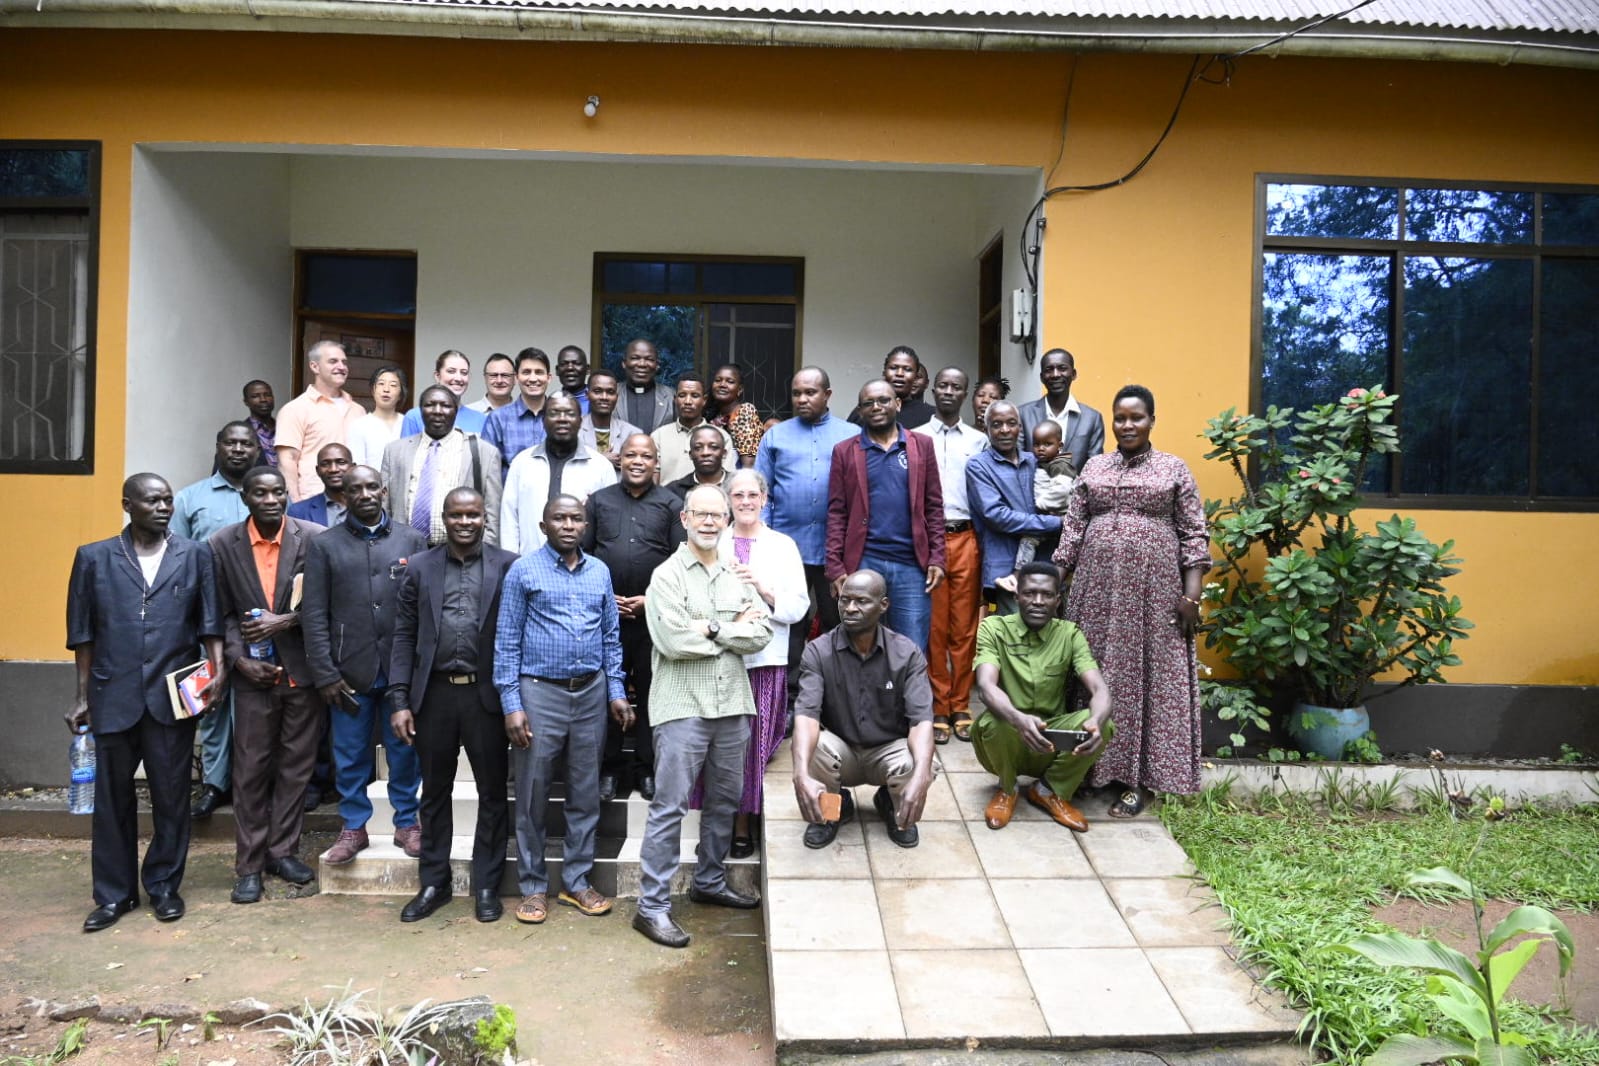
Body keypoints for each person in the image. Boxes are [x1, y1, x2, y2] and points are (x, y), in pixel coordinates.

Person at [66, 474, 225, 931]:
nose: (162, 507)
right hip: (111, 694)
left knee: (171, 795)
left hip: (171, 696)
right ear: (127, 505)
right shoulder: (94, 558)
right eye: (152, 500)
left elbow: (210, 622)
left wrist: (215, 674)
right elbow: (82, 633)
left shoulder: (195, 555)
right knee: (112, 800)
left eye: (168, 500)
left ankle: (163, 886)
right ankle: (114, 896)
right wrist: (81, 696)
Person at [1052, 384, 1210, 817]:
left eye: (1136, 417)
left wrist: (1190, 596)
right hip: (1094, 592)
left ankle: (1140, 781)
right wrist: (1054, 584)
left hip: (1153, 596)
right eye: (1120, 418)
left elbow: (1194, 534)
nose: (1127, 425)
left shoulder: (1173, 469)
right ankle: (1087, 769)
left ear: (1152, 421)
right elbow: (1073, 528)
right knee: (1091, 673)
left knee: (1147, 680)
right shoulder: (1095, 466)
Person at [635, 485, 772, 949]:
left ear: (728, 520)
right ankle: (651, 907)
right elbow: (672, 642)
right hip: (682, 707)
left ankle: (709, 882)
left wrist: (712, 626)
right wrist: (733, 632)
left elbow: (762, 633)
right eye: (702, 514)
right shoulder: (666, 577)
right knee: (670, 805)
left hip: (733, 704)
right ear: (685, 519)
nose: (711, 522)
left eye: (719, 514)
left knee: (724, 802)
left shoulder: (736, 574)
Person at [494, 495, 631, 926]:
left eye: (576, 518)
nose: (568, 525)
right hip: (539, 693)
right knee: (533, 793)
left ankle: (577, 881)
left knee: (585, 791)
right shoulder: (523, 570)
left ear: (586, 525)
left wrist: (616, 689)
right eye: (560, 518)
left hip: (590, 693)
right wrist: (512, 704)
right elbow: (506, 641)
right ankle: (533, 887)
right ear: (543, 524)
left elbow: (611, 636)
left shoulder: (599, 572)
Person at [388, 488, 517, 924]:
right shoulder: (421, 568)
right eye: (456, 515)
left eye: (473, 515)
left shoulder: (508, 566)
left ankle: (486, 884)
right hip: (434, 697)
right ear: (443, 518)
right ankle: (434, 882)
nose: (465, 522)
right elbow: (404, 635)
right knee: (435, 792)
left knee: (493, 794)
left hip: (487, 697)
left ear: (485, 518)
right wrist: (400, 699)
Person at [301, 464, 429, 865]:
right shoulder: (325, 545)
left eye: (372, 487)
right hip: (347, 671)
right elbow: (313, 613)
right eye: (355, 489)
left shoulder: (412, 539)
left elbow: (425, 611)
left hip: (399, 671)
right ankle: (353, 826)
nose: (365, 495)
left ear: (384, 490)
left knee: (405, 751)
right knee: (350, 753)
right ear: (344, 496)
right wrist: (324, 672)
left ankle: (407, 822)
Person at [207, 467, 323, 903]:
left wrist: (286, 620)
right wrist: (236, 661)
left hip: (302, 672)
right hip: (252, 677)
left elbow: (325, 603)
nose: (271, 499)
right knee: (251, 770)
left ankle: (283, 851)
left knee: (297, 767)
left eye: (278, 491)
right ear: (246, 497)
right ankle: (249, 865)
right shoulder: (221, 544)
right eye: (261, 492)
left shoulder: (313, 537)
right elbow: (216, 612)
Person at [694, 469, 807, 858]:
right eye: (737, 495)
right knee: (716, 745)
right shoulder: (712, 541)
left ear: (764, 498)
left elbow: (797, 608)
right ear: (727, 501)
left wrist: (762, 587)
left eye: (751, 495)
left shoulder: (782, 545)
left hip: (763, 661)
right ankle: (715, 823)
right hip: (717, 660)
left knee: (749, 749)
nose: (744, 501)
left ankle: (742, 823)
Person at [789, 570, 935, 850]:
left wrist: (921, 776)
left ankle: (893, 807)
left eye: (861, 601)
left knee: (918, 758)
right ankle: (832, 812)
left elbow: (921, 722)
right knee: (812, 745)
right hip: (841, 753)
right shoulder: (818, 651)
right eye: (845, 600)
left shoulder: (907, 654)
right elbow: (806, 716)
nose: (850, 608)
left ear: (883, 606)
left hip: (887, 752)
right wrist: (800, 774)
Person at [971, 562, 1114, 832]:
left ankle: (1048, 791)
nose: (1038, 601)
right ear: (1017, 597)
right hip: (1007, 740)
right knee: (995, 721)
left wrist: (1095, 720)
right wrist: (1018, 718)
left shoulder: (1070, 634)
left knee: (1104, 724)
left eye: (1047, 595)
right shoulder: (994, 628)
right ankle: (1007, 789)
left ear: (1057, 600)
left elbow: (1100, 689)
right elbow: (986, 686)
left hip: (1051, 741)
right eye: (1030, 593)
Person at [582, 434, 684, 803]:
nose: (638, 461)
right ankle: (608, 769)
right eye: (630, 455)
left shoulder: (672, 505)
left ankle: (646, 769)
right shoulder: (599, 502)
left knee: (652, 694)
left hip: (652, 621)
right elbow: (583, 557)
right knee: (606, 692)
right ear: (619, 460)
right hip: (605, 620)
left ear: (656, 462)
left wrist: (651, 599)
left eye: (646, 456)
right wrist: (606, 598)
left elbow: (680, 563)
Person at [172, 421, 260, 821]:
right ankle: (214, 783)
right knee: (211, 698)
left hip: (257, 614)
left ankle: (251, 782)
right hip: (206, 613)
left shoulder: (271, 493)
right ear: (219, 446)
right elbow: (176, 557)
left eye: (247, 443)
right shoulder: (191, 499)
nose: (239, 450)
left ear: (258, 450)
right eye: (231, 443)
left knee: (256, 702)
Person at [754, 367, 857, 697]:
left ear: (827, 395)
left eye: (810, 392)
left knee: (836, 623)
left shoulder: (851, 434)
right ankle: (789, 698)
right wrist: (766, 540)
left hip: (834, 552)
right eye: (797, 393)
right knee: (790, 624)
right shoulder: (776, 436)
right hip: (787, 551)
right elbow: (761, 491)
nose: (802, 399)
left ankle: (830, 696)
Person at [825, 379, 945, 651]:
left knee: (912, 647)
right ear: (860, 410)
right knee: (861, 644)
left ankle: (907, 696)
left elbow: (934, 505)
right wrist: (835, 567)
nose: (876, 407)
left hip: (912, 566)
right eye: (868, 403)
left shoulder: (921, 446)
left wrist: (938, 556)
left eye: (884, 400)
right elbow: (836, 512)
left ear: (898, 404)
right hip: (865, 560)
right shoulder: (845, 451)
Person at [912, 368, 987, 745]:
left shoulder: (980, 441)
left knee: (965, 627)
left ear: (965, 393)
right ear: (933, 388)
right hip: (928, 540)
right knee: (935, 628)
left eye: (956, 386)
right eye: (943, 385)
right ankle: (938, 705)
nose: (948, 391)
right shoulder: (916, 437)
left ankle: (961, 704)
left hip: (966, 536)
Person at [968, 401, 1061, 615]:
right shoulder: (978, 466)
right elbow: (997, 516)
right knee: (1015, 639)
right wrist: (1056, 523)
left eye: (1011, 423)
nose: (1005, 430)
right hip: (1006, 570)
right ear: (986, 428)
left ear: (1020, 427)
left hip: (1044, 563)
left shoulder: (1035, 460)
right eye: (997, 424)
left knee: (1048, 640)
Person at [381, 385, 503, 548]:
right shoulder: (395, 451)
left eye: (446, 406)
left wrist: (485, 556)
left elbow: (492, 514)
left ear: (456, 410)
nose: (437, 411)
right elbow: (385, 506)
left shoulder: (484, 452)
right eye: (430, 405)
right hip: (404, 550)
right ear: (420, 410)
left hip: (459, 552)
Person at [500, 395, 617, 553]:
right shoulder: (522, 462)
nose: (562, 419)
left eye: (570, 413)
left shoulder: (601, 466)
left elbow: (610, 523)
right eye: (554, 413)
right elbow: (509, 517)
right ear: (543, 420)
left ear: (580, 421)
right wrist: (511, 561)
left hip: (582, 568)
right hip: (529, 565)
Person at [276, 340, 367, 502]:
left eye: (344, 362)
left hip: (355, 502)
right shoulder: (295, 409)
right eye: (333, 361)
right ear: (314, 366)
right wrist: (296, 506)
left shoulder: (358, 410)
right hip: (313, 503)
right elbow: (287, 461)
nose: (341, 366)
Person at [1017, 348, 1104, 473]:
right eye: (1049, 369)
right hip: (1032, 490)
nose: (1055, 374)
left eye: (1062, 368)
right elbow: (1018, 462)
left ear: (1073, 374)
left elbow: (1095, 468)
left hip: (1076, 491)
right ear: (1042, 377)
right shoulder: (1023, 414)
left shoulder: (1092, 418)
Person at [651, 375, 734, 485]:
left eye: (694, 396)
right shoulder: (658, 436)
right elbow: (652, 482)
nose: (688, 401)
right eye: (682, 395)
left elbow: (727, 481)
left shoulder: (721, 436)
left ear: (704, 400)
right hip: (667, 501)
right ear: (675, 399)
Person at [1014, 420, 1074, 567]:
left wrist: (1041, 503)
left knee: (1031, 538)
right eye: (1036, 444)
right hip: (1048, 515)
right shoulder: (1044, 463)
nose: (1041, 449)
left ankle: (1020, 571)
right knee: (1030, 540)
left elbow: (1062, 490)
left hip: (1058, 514)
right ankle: (1022, 571)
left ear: (1059, 446)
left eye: (1047, 444)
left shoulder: (1060, 464)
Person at [482, 348, 552, 473]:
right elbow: (487, 470)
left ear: (549, 377)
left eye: (539, 372)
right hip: (511, 492)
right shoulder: (498, 418)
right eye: (526, 372)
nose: (533, 378)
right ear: (516, 377)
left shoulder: (560, 417)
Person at [400, 350, 487, 437]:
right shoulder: (415, 417)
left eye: (464, 373)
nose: (458, 378)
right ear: (437, 376)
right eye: (451, 371)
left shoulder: (480, 419)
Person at [848, 347, 935, 429]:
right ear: (884, 373)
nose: (900, 374)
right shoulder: (865, 410)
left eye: (907, 369)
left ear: (915, 376)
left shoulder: (931, 416)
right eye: (893, 368)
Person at [578, 368, 642, 467]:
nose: (604, 397)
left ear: (617, 397)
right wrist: (601, 459)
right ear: (587, 395)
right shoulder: (574, 431)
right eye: (597, 391)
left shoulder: (632, 434)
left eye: (610, 392)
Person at [348, 365, 409, 468]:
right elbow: (357, 467)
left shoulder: (407, 422)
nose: (386, 389)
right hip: (371, 483)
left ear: (401, 394)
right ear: (373, 390)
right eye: (381, 384)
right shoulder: (359, 425)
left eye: (393, 385)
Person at [707, 363, 765, 467]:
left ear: (740, 390)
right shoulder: (716, 416)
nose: (722, 384)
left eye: (730, 381)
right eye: (718, 380)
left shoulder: (745, 412)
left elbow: (749, 464)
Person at [285, 443, 352, 528]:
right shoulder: (299, 511)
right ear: (317, 470)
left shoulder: (369, 506)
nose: (333, 469)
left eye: (341, 462)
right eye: (325, 464)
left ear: (352, 467)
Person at [618, 338, 676, 432]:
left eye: (649, 359)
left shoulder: (672, 396)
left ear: (657, 365)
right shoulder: (610, 394)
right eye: (635, 358)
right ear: (624, 363)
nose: (642, 364)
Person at [667, 425, 736, 496]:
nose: (705, 453)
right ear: (690, 455)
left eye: (713, 447)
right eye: (698, 448)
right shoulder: (673, 491)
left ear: (724, 453)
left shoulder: (739, 485)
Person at [242, 380, 278, 468]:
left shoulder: (287, 429)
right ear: (246, 402)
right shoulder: (239, 433)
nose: (263, 399)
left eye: (268, 395)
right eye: (255, 396)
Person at [551, 345, 591, 413]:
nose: (570, 368)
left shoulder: (598, 402)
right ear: (557, 370)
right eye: (564, 364)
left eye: (577, 363)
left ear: (587, 369)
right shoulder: (551, 403)